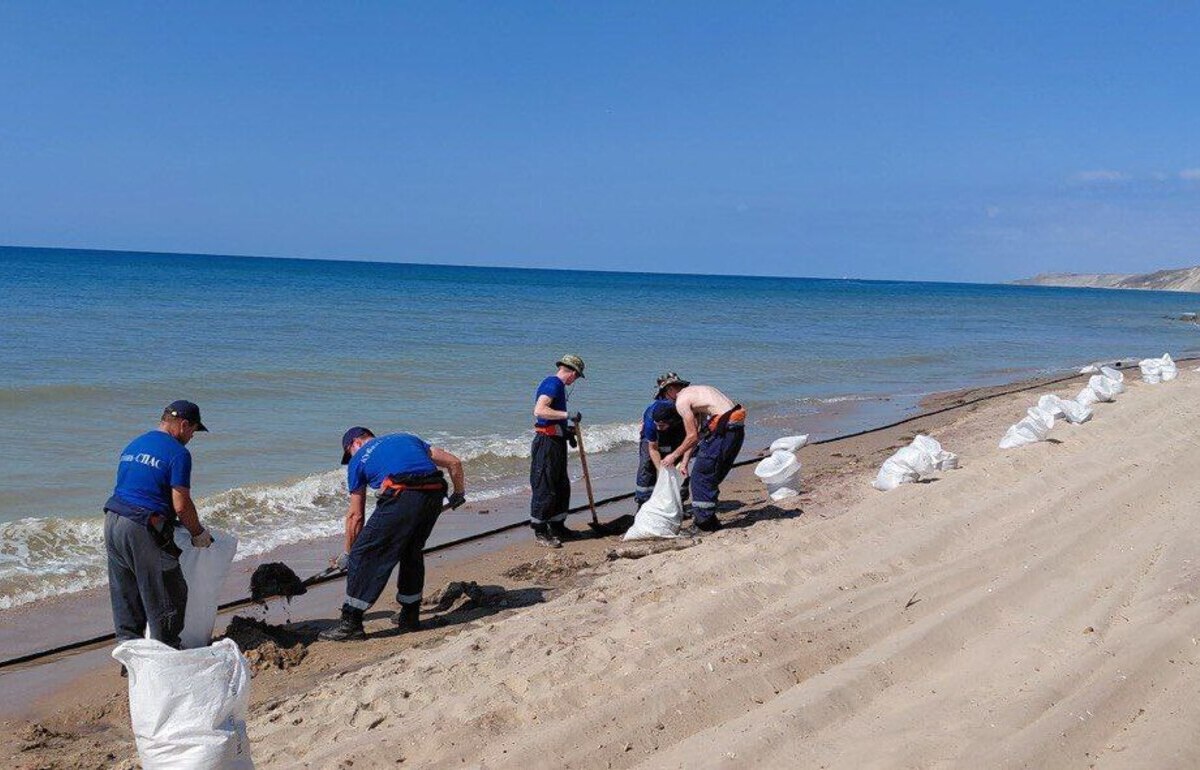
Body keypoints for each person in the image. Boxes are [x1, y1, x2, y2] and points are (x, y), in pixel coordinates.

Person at [320, 427, 466, 641]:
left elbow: (355, 517)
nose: (350, 457)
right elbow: (454, 462)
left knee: (363, 554)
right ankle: (410, 616)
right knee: (411, 551)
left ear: (355, 444)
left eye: (348, 452)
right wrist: (458, 493)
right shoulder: (406, 438)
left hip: (402, 494)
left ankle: (351, 622)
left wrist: (350, 554)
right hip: (434, 493)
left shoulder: (358, 459)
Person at [103, 400, 213, 649]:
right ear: (184, 425)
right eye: (193, 431)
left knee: (126, 594)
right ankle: (167, 651)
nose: (192, 437)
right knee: (168, 594)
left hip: (112, 521)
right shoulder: (178, 453)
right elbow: (181, 504)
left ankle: (130, 655)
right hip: (141, 527)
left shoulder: (135, 443)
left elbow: (137, 487)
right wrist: (198, 533)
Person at [658, 377, 745, 532]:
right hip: (736, 428)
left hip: (725, 429)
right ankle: (710, 519)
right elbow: (698, 434)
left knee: (701, 477)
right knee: (711, 474)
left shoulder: (681, 401)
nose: (666, 399)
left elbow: (691, 436)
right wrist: (684, 462)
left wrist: (673, 456)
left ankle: (703, 524)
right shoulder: (699, 392)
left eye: (664, 394)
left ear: (670, 390)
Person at [529, 354, 585, 548]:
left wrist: (566, 430)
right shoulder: (552, 383)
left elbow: (552, 417)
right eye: (576, 377)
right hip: (546, 442)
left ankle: (558, 525)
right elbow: (540, 410)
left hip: (556, 440)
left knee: (561, 485)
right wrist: (567, 415)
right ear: (571, 372)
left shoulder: (558, 387)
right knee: (545, 484)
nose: (575, 381)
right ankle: (541, 530)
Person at [634, 375, 690, 508]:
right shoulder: (651, 418)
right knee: (647, 468)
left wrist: (683, 462)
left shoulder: (684, 409)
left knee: (679, 469)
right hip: (652, 440)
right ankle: (644, 504)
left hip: (677, 436)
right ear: (668, 390)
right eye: (678, 387)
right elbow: (652, 448)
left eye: (681, 386)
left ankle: (677, 503)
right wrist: (661, 471)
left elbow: (691, 439)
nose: (681, 389)